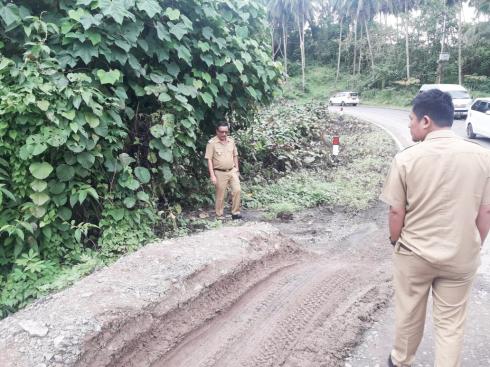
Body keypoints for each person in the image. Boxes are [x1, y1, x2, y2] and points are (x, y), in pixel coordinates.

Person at [380, 89, 490, 367]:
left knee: (409, 313)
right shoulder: (482, 158)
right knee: (451, 324)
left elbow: (396, 211)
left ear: (426, 121)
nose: (409, 124)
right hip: (460, 255)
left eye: (411, 119)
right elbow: (485, 210)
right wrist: (475, 243)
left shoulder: (406, 159)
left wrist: (396, 241)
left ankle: (402, 360)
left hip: (415, 254)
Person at [204, 122, 242, 220]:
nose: (224, 134)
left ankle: (235, 213)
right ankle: (219, 215)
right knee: (220, 194)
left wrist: (237, 170)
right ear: (217, 131)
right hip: (219, 172)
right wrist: (212, 175)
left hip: (232, 170)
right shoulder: (212, 143)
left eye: (226, 132)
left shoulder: (231, 141)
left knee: (237, 190)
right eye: (221, 132)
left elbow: (235, 155)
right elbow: (209, 159)